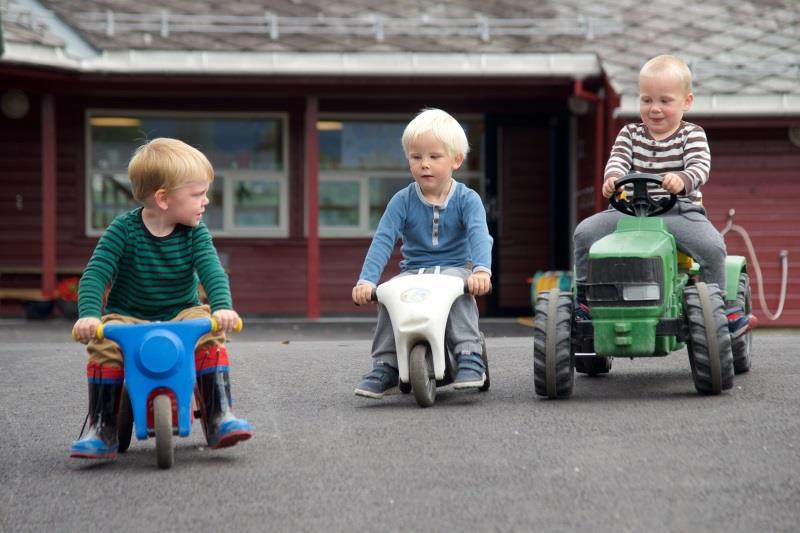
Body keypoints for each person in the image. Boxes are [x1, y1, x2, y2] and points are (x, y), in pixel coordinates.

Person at [69, 138, 252, 459]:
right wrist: (89, 316)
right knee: (104, 344)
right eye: (197, 194)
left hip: (182, 312)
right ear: (163, 199)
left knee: (208, 330)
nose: (205, 201)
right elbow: (96, 274)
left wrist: (223, 308)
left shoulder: (195, 233)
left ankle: (219, 413)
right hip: (127, 316)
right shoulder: (123, 231)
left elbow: (212, 271)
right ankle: (103, 426)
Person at [573, 54, 754, 337]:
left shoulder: (691, 135)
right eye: (647, 100)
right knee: (584, 233)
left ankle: (721, 308)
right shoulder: (629, 134)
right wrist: (611, 181)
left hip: (678, 211)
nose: (654, 108)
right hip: (627, 212)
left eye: (664, 101)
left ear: (686, 102)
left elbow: (699, 167)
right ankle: (585, 300)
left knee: (713, 246)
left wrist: (681, 179)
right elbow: (618, 162)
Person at [351, 108, 493, 398]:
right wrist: (367, 281)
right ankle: (386, 364)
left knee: (459, 291)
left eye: (434, 157)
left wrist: (481, 271)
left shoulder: (468, 199)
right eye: (416, 158)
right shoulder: (402, 201)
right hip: (414, 271)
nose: (424, 165)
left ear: (456, 160)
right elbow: (383, 239)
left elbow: (480, 235)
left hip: (455, 268)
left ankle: (468, 353)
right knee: (389, 294)